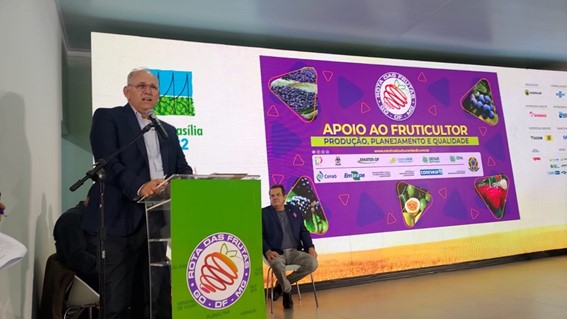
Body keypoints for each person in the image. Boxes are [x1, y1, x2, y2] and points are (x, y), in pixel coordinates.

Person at [82, 67, 193, 319]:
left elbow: (181, 168)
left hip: (158, 222)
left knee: (157, 296)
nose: (148, 91)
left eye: (153, 87)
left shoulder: (169, 130)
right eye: (141, 86)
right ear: (127, 91)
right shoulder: (108, 118)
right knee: (118, 299)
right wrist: (140, 186)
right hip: (119, 221)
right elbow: (108, 162)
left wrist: (183, 183)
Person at [262, 184, 318, 310]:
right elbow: (259, 235)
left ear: (284, 196)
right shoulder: (264, 213)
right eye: (272, 196)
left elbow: (303, 231)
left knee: (312, 263)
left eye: (278, 195)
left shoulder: (294, 210)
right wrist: (267, 250)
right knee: (276, 264)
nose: (275, 198)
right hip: (277, 253)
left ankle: (281, 285)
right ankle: (287, 291)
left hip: (294, 252)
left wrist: (310, 247)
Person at [54, 198, 98, 292]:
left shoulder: (95, 221)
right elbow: (77, 257)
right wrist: (107, 267)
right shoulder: (71, 219)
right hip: (85, 285)